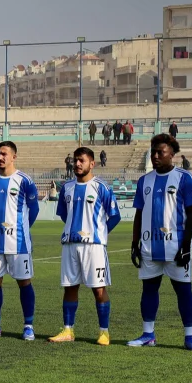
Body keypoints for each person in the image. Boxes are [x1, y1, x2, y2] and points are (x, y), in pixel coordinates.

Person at [128, 135, 192, 350]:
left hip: (176, 247)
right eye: (153, 152)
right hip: (149, 247)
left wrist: (186, 245)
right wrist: (135, 243)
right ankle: (148, 334)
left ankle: (190, 337)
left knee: (183, 290)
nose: (155, 156)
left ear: (172, 154)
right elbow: (139, 213)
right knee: (149, 289)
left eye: (160, 152)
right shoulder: (144, 181)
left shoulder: (185, 179)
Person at [51, 147, 120, 344]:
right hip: (70, 245)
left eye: (82, 160)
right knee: (70, 288)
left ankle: (104, 333)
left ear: (92, 163)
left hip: (93, 247)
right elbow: (64, 215)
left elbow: (115, 216)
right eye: (76, 160)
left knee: (98, 289)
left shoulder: (101, 187)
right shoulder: (67, 187)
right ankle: (68, 331)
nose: (77, 164)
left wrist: (99, 233)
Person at [0, 141, 40, 340]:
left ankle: (28, 326)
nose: (0, 157)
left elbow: (34, 210)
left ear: (14, 156)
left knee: (24, 282)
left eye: (4, 154)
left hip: (18, 242)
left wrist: (21, 229)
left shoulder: (24, 181)